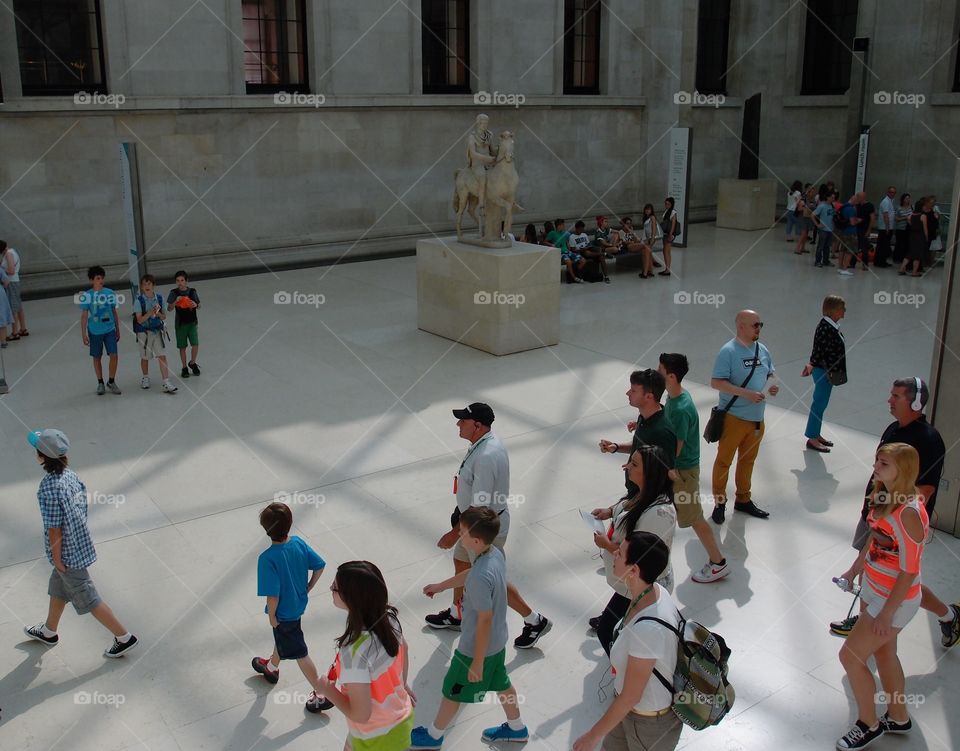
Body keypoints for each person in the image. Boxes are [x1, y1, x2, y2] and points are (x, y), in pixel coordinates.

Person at [829, 378, 958, 646]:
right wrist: (875, 509)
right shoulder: (892, 429)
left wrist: (891, 516)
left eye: (896, 396)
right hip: (875, 512)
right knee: (876, 567)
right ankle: (946, 616)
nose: (889, 400)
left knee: (904, 581)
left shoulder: (929, 439)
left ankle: (946, 615)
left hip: (897, 526)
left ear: (915, 402)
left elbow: (926, 489)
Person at [425, 403, 551, 649]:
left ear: (478, 425)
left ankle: (534, 620)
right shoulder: (485, 443)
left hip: (481, 531)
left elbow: (481, 508)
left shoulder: (485, 457)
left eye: (463, 420)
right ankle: (457, 612)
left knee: (491, 578)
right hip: (470, 525)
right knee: (461, 562)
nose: (458, 424)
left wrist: (454, 533)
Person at [835, 443, 928, 750]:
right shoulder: (883, 495)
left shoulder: (910, 513)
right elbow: (876, 540)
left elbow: (910, 571)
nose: (876, 466)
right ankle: (899, 717)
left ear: (903, 470)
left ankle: (868, 723)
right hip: (875, 589)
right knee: (885, 654)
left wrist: (887, 612)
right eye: (877, 460)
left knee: (850, 656)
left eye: (884, 463)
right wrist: (854, 569)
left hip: (894, 600)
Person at [413, 507, 530, 748]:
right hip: (498, 642)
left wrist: (476, 662)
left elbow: (484, 618)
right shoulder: (493, 554)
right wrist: (442, 586)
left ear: (475, 540)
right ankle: (517, 728)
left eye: (462, 532)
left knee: (452, 690)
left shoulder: (479, 577)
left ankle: (433, 737)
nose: (459, 536)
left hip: (474, 648)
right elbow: (472, 573)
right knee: (502, 683)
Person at [22, 429, 139, 657]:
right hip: (79, 545)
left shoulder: (48, 488)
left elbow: (54, 528)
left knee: (89, 597)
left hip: (66, 555)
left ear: (41, 457)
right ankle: (49, 631)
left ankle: (124, 637)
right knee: (58, 588)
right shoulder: (70, 475)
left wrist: (57, 559)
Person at [572, 532, 683, 751]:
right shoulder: (655, 591)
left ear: (634, 570)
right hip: (627, 712)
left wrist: (591, 737)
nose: (613, 554)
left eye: (619, 553)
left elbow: (632, 695)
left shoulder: (648, 629)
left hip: (648, 725)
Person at [316, 561, 415, 751]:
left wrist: (328, 690)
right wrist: (401, 685)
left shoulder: (353, 652)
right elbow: (405, 650)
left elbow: (360, 715)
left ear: (351, 597)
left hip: (375, 739)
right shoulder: (389, 619)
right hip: (400, 721)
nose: (330, 588)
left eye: (334, 587)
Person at [590, 446, 677, 655]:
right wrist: (609, 511)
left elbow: (642, 556)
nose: (627, 467)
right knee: (614, 629)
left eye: (634, 464)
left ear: (651, 472)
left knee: (608, 631)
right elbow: (626, 507)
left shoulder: (659, 513)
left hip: (642, 585)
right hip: (630, 583)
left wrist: (606, 545)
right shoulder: (643, 493)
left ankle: (624, 671)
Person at [251, 501, 331, 712]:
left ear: (266, 530)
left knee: (300, 652)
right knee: (285, 639)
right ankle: (271, 667)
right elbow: (320, 565)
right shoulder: (298, 543)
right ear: (290, 523)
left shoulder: (267, 559)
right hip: (297, 607)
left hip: (284, 614)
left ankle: (320, 692)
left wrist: (272, 617)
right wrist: (308, 587)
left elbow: (273, 595)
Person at [658, 353, 729, 583]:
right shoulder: (674, 397)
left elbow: (675, 448)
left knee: (694, 517)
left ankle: (718, 562)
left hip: (682, 473)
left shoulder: (680, 408)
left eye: (660, 371)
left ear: (671, 375)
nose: (656, 374)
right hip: (679, 470)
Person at [710, 310, 779, 522]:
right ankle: (720, 502)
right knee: (724, 462)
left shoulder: (763, 349)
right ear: (741, 326)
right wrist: (746, 394)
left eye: (761, 324)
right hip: (734, 418)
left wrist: (772, 386)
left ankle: (743, 499)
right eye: (755, 325)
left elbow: (771, 374)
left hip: (757, 419)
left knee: (747, 461)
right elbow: (716, 382)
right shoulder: (728, 352)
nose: (759, 328)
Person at [598, 368, 677, 501]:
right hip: (634, 493)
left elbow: (664, 476)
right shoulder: (645, 416)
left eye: (633, 391)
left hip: (645, 500)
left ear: (649, 396)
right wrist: (616, 447)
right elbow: (640, 444)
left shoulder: (663, 432)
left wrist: (635, 504)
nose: (628, 393)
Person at [802, 295, 846, 453]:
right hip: (824, 372)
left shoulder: (832, 325)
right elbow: (819, 350)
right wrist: (812, 364)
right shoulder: (825, 327)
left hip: (826, 370)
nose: (844, 311)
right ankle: (812, 437)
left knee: (821, 404)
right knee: (819, 404)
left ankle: (816, 433)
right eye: (842, 308)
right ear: (834, 310)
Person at [78, 265, 121, 395]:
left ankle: (111, 381)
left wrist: (117, 328)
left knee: (114, 355)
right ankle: (100, 382)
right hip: (94, 331)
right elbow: (84, 315)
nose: (100, 281)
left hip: (109, 329)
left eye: (102, 278)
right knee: (97, 357)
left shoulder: (109, 293)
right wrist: (83, 333)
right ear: (92, 280)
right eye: (97, 278)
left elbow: (114, 311)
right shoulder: (87, 295)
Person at [135, 274, 177, 394]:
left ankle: (166, 381)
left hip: (157, 330)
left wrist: (157, 314)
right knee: (145, 357)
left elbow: (164, 316)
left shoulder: (159, 298)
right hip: (144, 332)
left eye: (149, 284)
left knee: (162, 355)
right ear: (142, 287)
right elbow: (139, 320)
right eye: (144, 284)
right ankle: (145, 377)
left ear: (153, 285)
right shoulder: (139, 301)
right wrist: (149, 313)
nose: (147, 286)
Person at [166, 269, 201, 378]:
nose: (180, 283)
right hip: (180, 324)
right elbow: (169, 308)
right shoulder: (174, 293)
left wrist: (195, 304)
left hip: (192, 323)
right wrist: (175, 301)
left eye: (182, 280)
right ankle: (184, 367)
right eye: (178, 280)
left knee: (195, 344)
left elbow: (199, 306)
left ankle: (193, 362)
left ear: (186, 281)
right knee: (182, 346)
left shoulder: (192, 292)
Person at [1, 240, 28, 337]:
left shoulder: (8, 254)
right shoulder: (12, 251)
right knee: (18, 306)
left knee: (13, 307)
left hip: (11, 282)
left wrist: (2, 271)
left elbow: (11, 270)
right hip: (15, 281)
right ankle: (23, 329)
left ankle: (15, 332)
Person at [900, 197, 930, 277]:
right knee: (918, 255)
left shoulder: (910, 215)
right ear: (921, 207)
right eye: (924, 206)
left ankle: (902, 268)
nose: (925, 207)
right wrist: (926, 238)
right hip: (920, 236)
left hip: (912, 235)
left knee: (910, 253)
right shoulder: (923, 216)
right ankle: (914, 272)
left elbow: (909, 222)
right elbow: (925, 229)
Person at [836, 194, 861, 275]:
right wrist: (859, 220)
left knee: (842, 249)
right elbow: (852, 222)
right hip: (851, 232)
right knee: (850, 250)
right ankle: (845, 268)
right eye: (857, 202)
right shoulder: (851, 209)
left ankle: (840, 267)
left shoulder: (843, 207)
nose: (857, 203)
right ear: (854, 200)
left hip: (843, 231)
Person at [812, 190, 835, 268]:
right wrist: (817, 225)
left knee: (827, 246)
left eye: (834, 198)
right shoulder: (822, 206)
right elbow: (812, 215)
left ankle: (826, 261)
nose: (833, 199)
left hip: (830, 229)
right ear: (827, 197)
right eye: (832, 197)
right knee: (820, 246)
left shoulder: (832, 205)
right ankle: (817, 261)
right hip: (823, 230)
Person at [875, 186, 897, 268]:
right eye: (891, 192)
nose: (892, 194)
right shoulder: (886, 202)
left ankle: (882, 260)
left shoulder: (891, 201)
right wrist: (887, 227)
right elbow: (885, 215)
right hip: (885, 227)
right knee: (883, 245)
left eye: (894, 192)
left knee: (885, 245)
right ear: (888, 192)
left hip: (889, 227)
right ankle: (880, 262)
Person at [659, 197, 678, 276]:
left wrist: (670, 234)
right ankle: (667, 269)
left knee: (666, 251)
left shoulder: (673, 212)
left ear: (671, 204)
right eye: (665, 203)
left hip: (669, 234)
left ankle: (667, 270)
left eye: (668, 204)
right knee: (666, 251)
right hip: (666, 233)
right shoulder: (667, 211)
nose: (666, 205)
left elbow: (673, 224)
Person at [893, 193, 912, 265]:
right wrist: (905, 218)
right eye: (906, 198)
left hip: (908, 228)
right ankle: (897, 257)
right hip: (900, 228)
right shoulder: (899, 208)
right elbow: (896, 218)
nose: (908, 200)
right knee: (899, 243)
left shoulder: (911, 207)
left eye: (909, 198)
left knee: (906, 244)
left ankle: (904, 258)